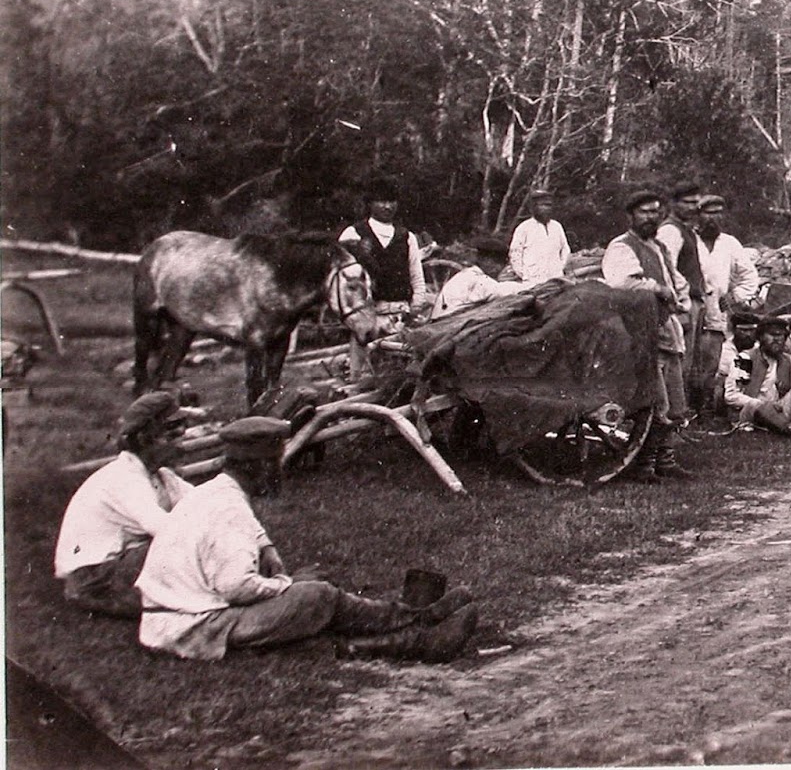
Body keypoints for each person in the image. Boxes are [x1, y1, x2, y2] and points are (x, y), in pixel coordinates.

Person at [136, 417, 478, 662]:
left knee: (314, 588)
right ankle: (417, 632)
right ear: (258, 468)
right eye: (275, 464)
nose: (280, 472)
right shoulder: (230, 512)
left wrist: (266, 547)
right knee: (317, 594)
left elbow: (242, 534)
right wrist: (286, 584)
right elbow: (235, 587)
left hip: (172, 618)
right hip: (195, 627)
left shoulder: (215, 492)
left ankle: (409, 618)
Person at [55, 392, 194, 618]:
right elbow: (164, 529)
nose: (181, 441)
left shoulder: (161, 476)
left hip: (117, 566)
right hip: (94, 579)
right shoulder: (125, 478)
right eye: (171, 434)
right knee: (178, 549)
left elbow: (206, 503)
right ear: (142, 439)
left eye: (183, 430)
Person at [601, 190, 693, 480]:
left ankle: (665, 460)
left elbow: (677, 281)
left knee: (676, 401)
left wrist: (680, 299)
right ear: (631, 216)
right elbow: (624, 282)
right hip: (638, 333)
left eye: (655, 212)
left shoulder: (660, 247)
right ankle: (644, 465)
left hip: (666, 328)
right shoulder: (621, 247)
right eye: (644, 212)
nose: (650, 217)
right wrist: (659, 290)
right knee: (656, 401)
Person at [340, 182, 430, 382]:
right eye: (381, 201)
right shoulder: (353, 234)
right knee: (359, 379)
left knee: (397, 377)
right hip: (366, 319)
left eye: (391, 201)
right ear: (370, 204)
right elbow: (341, 282)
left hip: (399, 316)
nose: (388, 206)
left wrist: (415, 308)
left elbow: (416, 275)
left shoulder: (406, 237)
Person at [694, 194, 760, 420]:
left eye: (718, 213)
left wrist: (735, 296)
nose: (713, 219)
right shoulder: (687, 241)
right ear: (698, 215)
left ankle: (704, 410)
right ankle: (680, 411)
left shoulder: (730, 244)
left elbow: (750, 276)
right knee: (683, 361)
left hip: (716, 312)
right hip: (688, 309)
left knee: (711, 362)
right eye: (708, 213)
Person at [656, 182, 708, 418]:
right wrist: (683, 305)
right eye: (687, 202)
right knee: (678, 362)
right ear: (673, 204)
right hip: (681, 304)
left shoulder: (687, 229)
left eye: (696, 203)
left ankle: (681, 413)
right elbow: (668, 270)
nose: (692, 207)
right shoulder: (670, 231)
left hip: (695, 302)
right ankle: (671, 414)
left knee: (688, 361)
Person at [431, 235, 535, 319]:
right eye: (499, 263)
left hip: (442, 320)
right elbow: (502, 292)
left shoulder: (467, 274)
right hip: (447, 325)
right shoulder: (481, 281)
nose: (500, 268)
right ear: (486, 260)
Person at [508, 190, 570, 284]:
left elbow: (565, 249)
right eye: (543, 205)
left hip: (555, 278)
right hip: (533, 281)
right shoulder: (524, 228)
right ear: (534, 208)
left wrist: (560, 267)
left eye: (549, 205)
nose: (546, 209)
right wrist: (525, 274)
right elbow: (515, 254)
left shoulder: (556, 226)